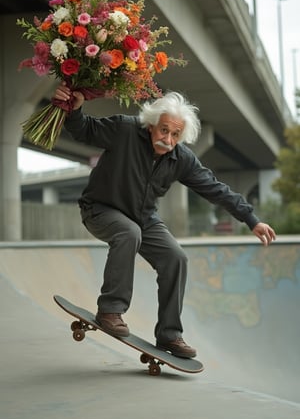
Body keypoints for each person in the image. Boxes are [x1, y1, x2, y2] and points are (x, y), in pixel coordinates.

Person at [54, 82, 276, 359]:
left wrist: (251, 219)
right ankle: (111, 310)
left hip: (143, 217)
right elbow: (84, 129)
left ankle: (169, 335)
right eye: (164, 130)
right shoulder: (124, 130)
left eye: (175, 134)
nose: (168, 140)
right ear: (151, 125)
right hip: (100, 208)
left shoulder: (182, 159)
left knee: (175, 258)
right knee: (128, 232)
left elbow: (216, 189)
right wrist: (73, 109)